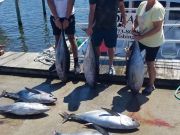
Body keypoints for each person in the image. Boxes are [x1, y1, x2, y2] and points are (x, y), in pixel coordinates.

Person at [132, 0, 165, 95]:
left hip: (153, 41)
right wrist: (133, 27)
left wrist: (142, 36)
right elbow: (136, 20)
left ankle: (151, 85)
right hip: (141, 38)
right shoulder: (142, 4)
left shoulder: (158, 8)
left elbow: (158, 28)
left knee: (150, 62)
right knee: (130, 53)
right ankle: (133, 77)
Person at [86, 0, 126, 75]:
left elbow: (121, 5)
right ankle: (96, 64)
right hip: (97, 26)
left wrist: (124, 18)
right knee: (96, 46)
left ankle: (111, 65)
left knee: (111, 47)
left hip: (111, 26)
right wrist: (89, 26)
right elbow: (92, 11)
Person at [47, 0, 80, 74]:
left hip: (69, 16)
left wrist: (67, 19)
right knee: (57, 40)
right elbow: (49, 1)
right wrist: (56, 18)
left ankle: (76, 63)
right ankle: (57, 62)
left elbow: (71, 2)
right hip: (55, 17)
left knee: (71, 38)